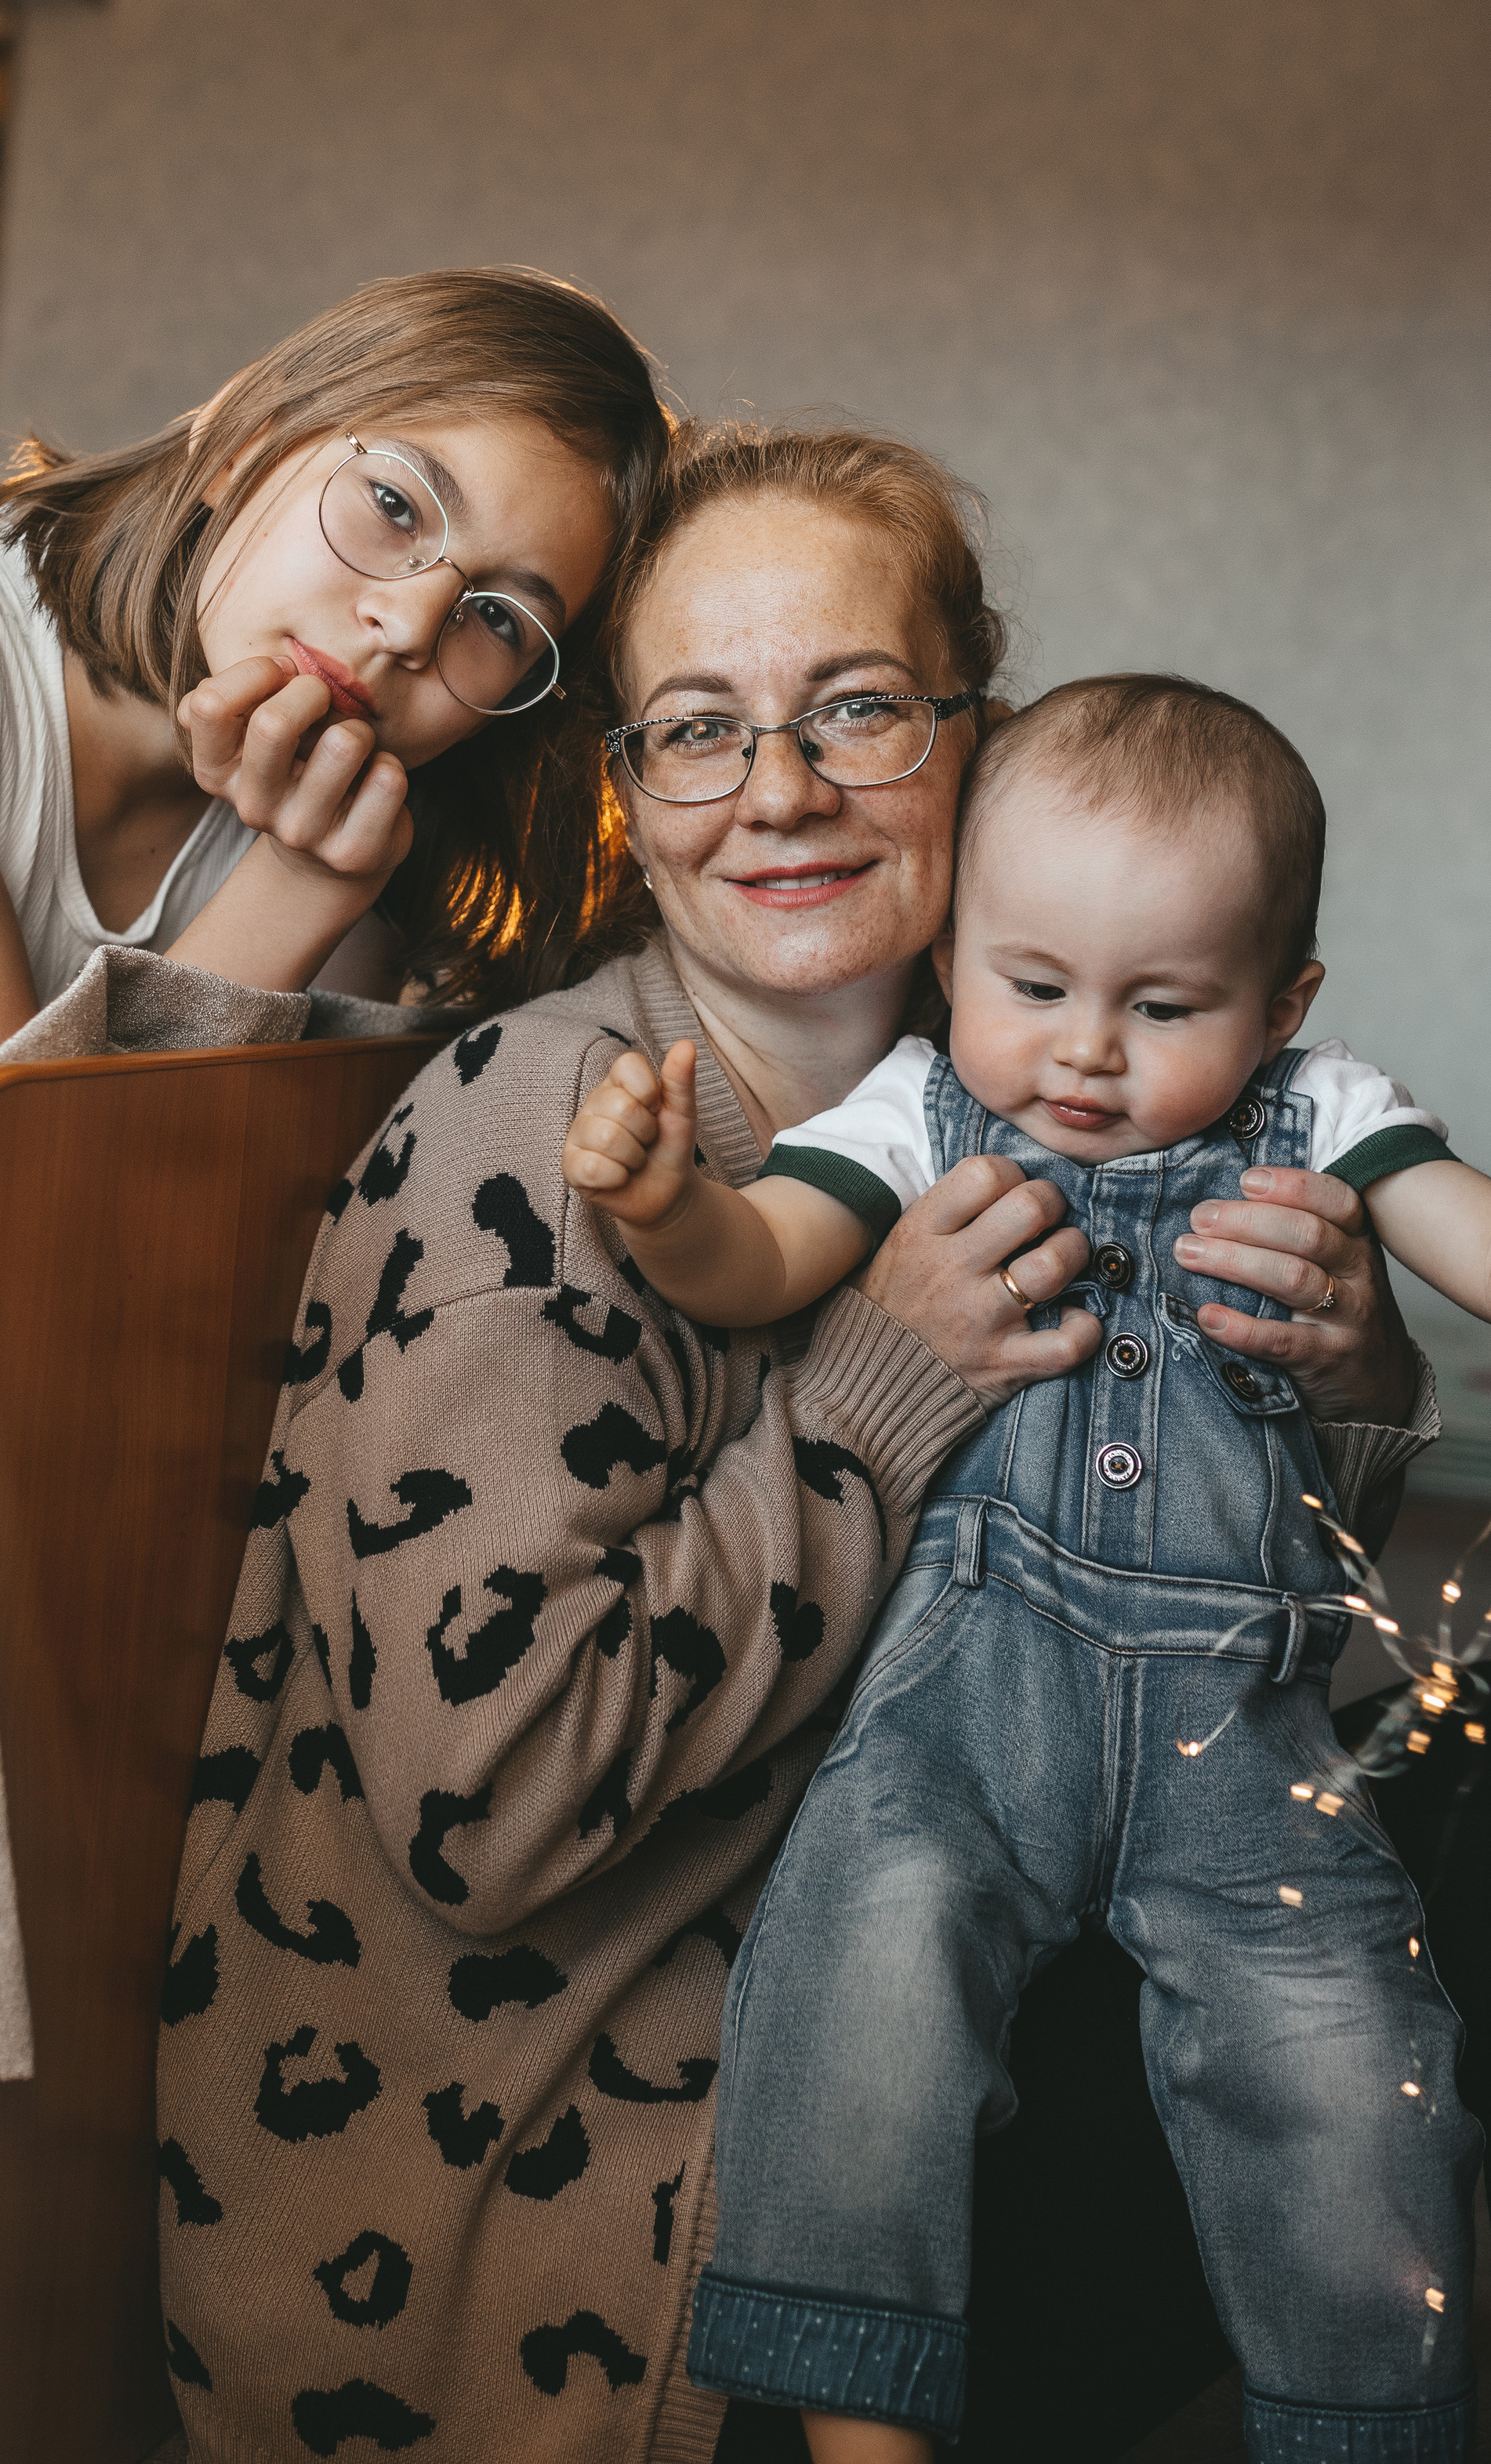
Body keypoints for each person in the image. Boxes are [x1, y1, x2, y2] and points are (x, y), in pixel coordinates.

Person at [154, 432, 1435, 2462]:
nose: (780, 790)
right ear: (629, 800)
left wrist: (1340, 1381)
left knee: (1391, 1834)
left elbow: (1196, 1657)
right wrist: (878, 1382)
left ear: (976, 739)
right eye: (697, 731)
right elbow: (487, 1810)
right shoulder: (536, 1135)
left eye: (854, 708)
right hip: (579, 2180)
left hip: (920, 2013)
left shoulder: (1068, 1091)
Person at [568, 673, 1489, 2461]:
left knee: (1345, 2053)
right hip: (962, 1698)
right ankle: (859, 2424)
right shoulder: (921, 1112)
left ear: (1280, 1003)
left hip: (1242, 1727)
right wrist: (659, 1200)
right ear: (950, 960)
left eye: (1162, 1006)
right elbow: (755, 1262)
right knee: (862, 1970)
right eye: (1032, 985)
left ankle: (1358, 2420)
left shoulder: (1318, 1113)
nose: (1080, 1052)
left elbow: (1450, 1220)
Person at [0, 266, 669, 1061]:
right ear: (243, 441)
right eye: (394, 504)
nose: (406, 626)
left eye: (498, 619)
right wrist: (290, 892)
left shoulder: (372, 831)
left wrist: (317, 886)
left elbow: (179, 1218)